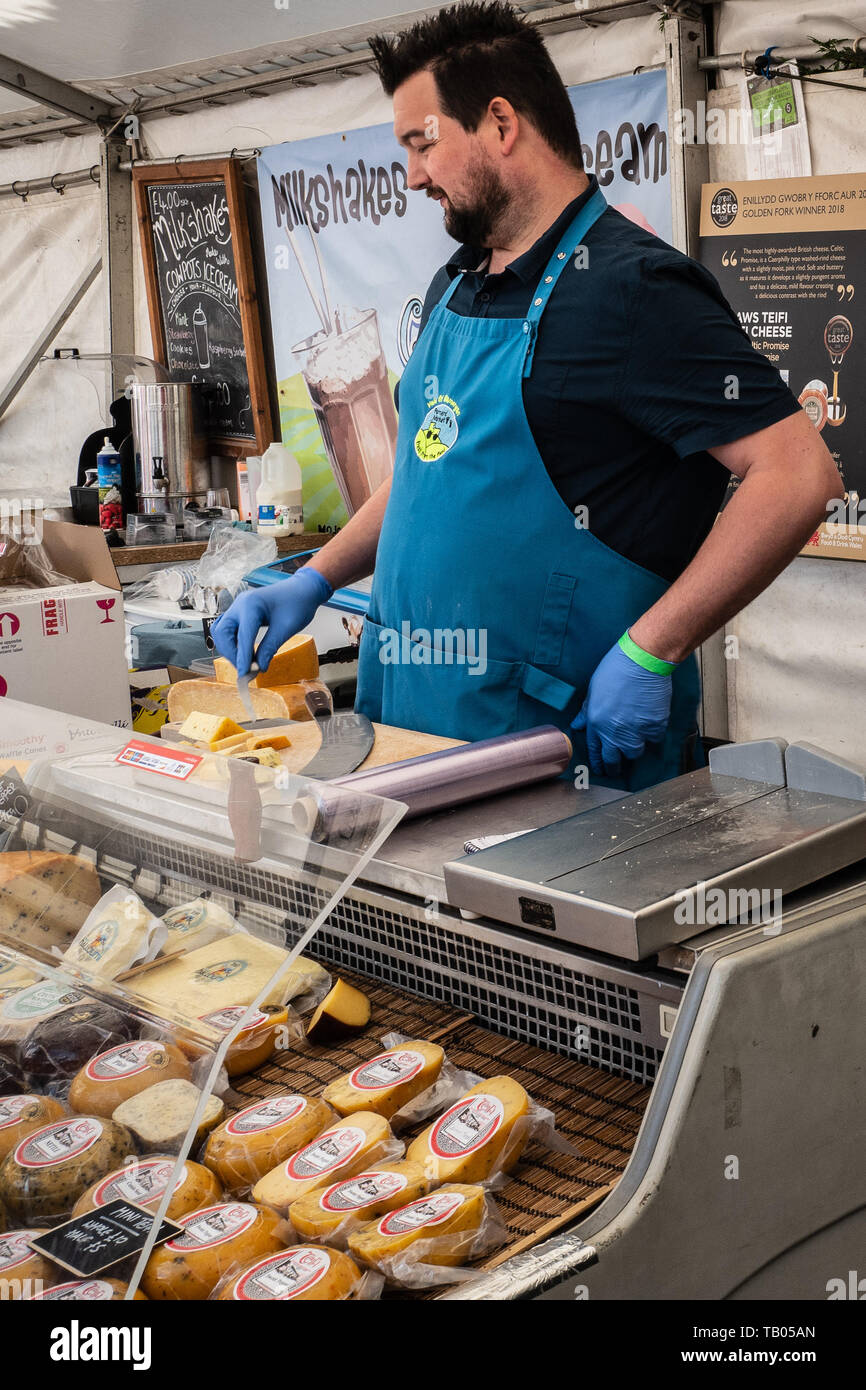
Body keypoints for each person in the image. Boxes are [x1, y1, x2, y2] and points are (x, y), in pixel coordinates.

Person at [213, 1, 840, 791]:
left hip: (547, 761)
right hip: (405, 735)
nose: (411, 174)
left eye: (421, 143)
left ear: (501, 124)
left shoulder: (635, 289)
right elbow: (426, 475)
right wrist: (315, 577)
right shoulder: (457, 284)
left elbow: (798, 475)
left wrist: (657, 647)